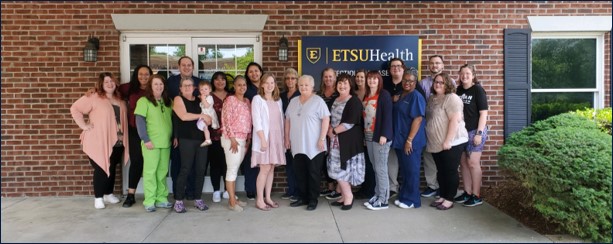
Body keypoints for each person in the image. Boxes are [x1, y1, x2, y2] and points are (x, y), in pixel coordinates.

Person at [70, 72, 129, 209]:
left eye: (112, 81)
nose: (109, 84)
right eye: (106, 82)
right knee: (101, 168)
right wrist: (83, 125)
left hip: (117, 141)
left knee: (112, 167)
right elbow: (75, 108)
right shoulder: (93, 97)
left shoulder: (119, 99)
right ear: (101, 84)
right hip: (98, 140)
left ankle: (108, 194)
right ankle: (98, 197)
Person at [286, 75, 331, 211]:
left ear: (312, 86)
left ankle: (312, 200)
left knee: (313, 173)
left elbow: (326, 120)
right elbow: (287, 120)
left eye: (306, 85)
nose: (303, 87)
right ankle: (303, 197)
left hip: (314, 146)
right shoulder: (293, 101)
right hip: (297, 145)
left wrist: (322, 138)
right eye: (301, 85)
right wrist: (286, 139)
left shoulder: (318, 101)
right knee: (300, 173)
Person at [426, 73, 468, 210]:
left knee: (450, 171)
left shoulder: (452, 98)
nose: (437, 84)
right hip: (437, 143)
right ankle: (443, 195)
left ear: (448, 84)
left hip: (452, 142)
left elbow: (455, 120)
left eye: (441, 82)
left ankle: (449, 198)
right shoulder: (432, 98)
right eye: (436, 82)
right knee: (441, 171)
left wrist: (448, 141)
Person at [134, 74, 174, 212]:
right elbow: (139, 121)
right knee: (150, 172)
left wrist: (174, 137)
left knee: (162, 172)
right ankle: (149, 200)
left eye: (161, 84)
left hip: (166, 143)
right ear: (150, 86)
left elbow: (173, 121)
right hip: (151, 143)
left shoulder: (168, 101)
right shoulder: (143, 101)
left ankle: (161, 198)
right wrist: (145, 139)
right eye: (156, 84)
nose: (159, 86)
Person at [172, 77, 212, 213]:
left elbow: (209, 118)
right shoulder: (178, 99)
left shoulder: (199, 101)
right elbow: (184, 116)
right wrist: (201, 115)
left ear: (194, 88)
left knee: (200, 170)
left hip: (201, 139)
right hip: (187, 139)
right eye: (185, 85)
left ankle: (198, 198)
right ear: (181, 88)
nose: (188, 87)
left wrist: (208, 118)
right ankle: (178, 200)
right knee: (185, 169)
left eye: (190, 85)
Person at [326, 74, 365, 211]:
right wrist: (329, 129)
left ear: (350, 86)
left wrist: (334, 131)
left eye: (345, 84)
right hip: (335, 140)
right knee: (337, 168)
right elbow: (327, 117)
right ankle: (343, 195)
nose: (342, 86)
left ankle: (349, 196)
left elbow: (351, 121)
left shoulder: (354, 101)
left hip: (348, 141)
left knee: (343, 169)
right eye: (340, 83)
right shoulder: (334, 100)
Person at [419, 55, 455, 198]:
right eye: (432, 63)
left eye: (438, 63)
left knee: (445, 159)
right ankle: (432, 185)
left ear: (443, 65)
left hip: (445, 125)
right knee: (429, 157)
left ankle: (444, 188)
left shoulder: (450, 82)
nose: (435, 65)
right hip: (428, 124)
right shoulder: (422, 83)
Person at [167, 56, 201, 200]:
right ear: (179, 66)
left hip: (196, 131)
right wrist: (175, 134)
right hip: (179, 129)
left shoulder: (198, 83)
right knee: (178, 164)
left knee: (193, 165)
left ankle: (192, 192)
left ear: (193, 67)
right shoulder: (171, 83)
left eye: (189, 65)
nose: (186, 67)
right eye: (183, 65)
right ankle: (177, 192)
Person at [454, 64, 489, 207]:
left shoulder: (478, 90)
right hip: (462, 131)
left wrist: (479, 134)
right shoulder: (459, 90)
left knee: (473, 163)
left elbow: (483, 113)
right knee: (463, 163)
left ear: (473, 75)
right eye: (462, 73)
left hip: (475, 131)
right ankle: (467, 192)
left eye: (468, 73)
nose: (465, 76)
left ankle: (476, 195)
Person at [391, 71, 427, 209]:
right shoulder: (401, 95)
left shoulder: (416, 96)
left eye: (411, 81)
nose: (407, 83)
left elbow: (418, 119)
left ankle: (413, 200)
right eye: (405, 80)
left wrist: (409, 140)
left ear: (415, 82)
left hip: (411, 141)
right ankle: (404, 196)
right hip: (401, 139)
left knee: (412, 171)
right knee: (405, 170)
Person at [118, 65, 152, 208]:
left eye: (146, 74)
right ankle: (131, 195)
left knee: (152, 163)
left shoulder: (155, 88)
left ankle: (152, 194)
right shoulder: (129, 88)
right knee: (137, 161)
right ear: (136, 75)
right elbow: (109, 90)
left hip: (152, 131)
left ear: (151, 75)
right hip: (134, 130)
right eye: (140, 74)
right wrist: (93, 91)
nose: (143, 77)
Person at [251, 73, 286, 211]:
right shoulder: (257, 99)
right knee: (264, 169)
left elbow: (281, 121)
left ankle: (268, 198)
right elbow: (257, 121)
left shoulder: (278, 101)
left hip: (276, 138)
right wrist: (263, 140)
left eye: (272, 83)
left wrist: (283, 140)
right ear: (262, 85)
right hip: (264, 138)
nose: (270, 85)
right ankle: (259, 200)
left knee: (271, 168)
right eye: (267, 83)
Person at [362, 71, 394, 210]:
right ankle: (378, 194)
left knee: (381, 168)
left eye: (375, 79)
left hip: (380, 137)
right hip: (369, 137)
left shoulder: (384, 95)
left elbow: (388, 115)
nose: (372, 81)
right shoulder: (367, 96)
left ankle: (383, 200)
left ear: (379, 80)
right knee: (376, 167)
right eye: (370, 79)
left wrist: (384, 135)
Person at [221, 75, 251, 212]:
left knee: (235, 168)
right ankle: (232, 201)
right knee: (232, 169)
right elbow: (226, 120)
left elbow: (249, 121)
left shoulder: (247, 102)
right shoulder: (230, 100)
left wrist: (248, 139)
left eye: (244, 85)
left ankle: (234, 197)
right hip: (231, 140)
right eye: (239, 85)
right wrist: (232, 139)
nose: (242, 87)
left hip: (243, 139)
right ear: (234, 86)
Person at [382, 58, 405, 199]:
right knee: (391, 158)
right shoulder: (385, 84)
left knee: (406, 158)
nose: (395, 68)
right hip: (390, 126)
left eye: (398, 66)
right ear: (389, 69)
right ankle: (393, 187)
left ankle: (406, 187)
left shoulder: (409, 82)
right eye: (393, 66)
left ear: (403, 68)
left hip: (405, 128)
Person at [352, 69, 376, 200]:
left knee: (369, 161)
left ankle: (370, 189)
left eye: (362, 77)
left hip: (369, 131)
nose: (359, 79)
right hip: (357, 131)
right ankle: (364, 188)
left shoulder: (370, 93)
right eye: (357, 77)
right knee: (362, 162)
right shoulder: (354, 93)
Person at [317, 67, 341, 200]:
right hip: (321, 132)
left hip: (336, 132)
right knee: (325, 160)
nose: (328, 79)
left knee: (337, 159)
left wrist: (332, 130)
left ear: (335, 77)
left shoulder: (339, 93)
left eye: (330, 76)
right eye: (326, 76)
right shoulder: (319, 94)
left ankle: (339, 188)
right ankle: (330, 186)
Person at [242, 62, 263, 200]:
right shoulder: (246, 89)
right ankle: (250, 188)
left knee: (265, 160)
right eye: (250, 71)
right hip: (250, 128)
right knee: (250, 160)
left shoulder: (267, 87)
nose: (254, 73)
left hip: (266, 129)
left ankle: (263, 189)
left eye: (256, 70)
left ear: (261, 72)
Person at [208, 71, 230, 203]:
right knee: (215, 164)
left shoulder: (232, 96)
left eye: (223, 79)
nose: (220, 82)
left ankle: (228, 190)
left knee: (228, 164)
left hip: (229, 136)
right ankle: (216, 190)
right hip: (213, 136)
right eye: (217, 79)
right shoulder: (208, 96)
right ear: (213, 81)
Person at [280, 68, 300, 202]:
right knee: (288, 164)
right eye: (287, 78)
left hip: (297, 133)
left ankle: (298, 191)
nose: (290, 81)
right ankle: (291, 189)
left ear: (297, 80)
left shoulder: (300, 95)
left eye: (293, 78)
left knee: (298, 164)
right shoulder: (281, 96)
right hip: (284, 133)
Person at [197, 81, 219, 147]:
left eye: (206, 89)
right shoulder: (205, 97)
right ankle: (207, 139)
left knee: (204, 126)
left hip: (209, 115)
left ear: (210, 90)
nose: (203, 91)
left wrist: (203, 99)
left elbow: (206, 106)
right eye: (201, 89)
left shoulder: (209, 97)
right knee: (204, 127)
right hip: (205, 114)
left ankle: (208, 140)